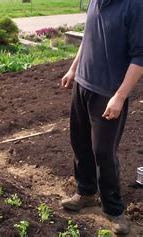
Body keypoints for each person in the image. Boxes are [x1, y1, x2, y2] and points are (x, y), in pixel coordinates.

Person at [60, 0, 143, 234]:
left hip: (108, 93)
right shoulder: (95, 1)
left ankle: (113, 209)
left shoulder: (135, 6)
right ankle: (85, 193)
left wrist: (120, 97)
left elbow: (140, 57)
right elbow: (88, 37)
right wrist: (74, 68)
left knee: (104, 153)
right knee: (80, 143)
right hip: (83, 85)